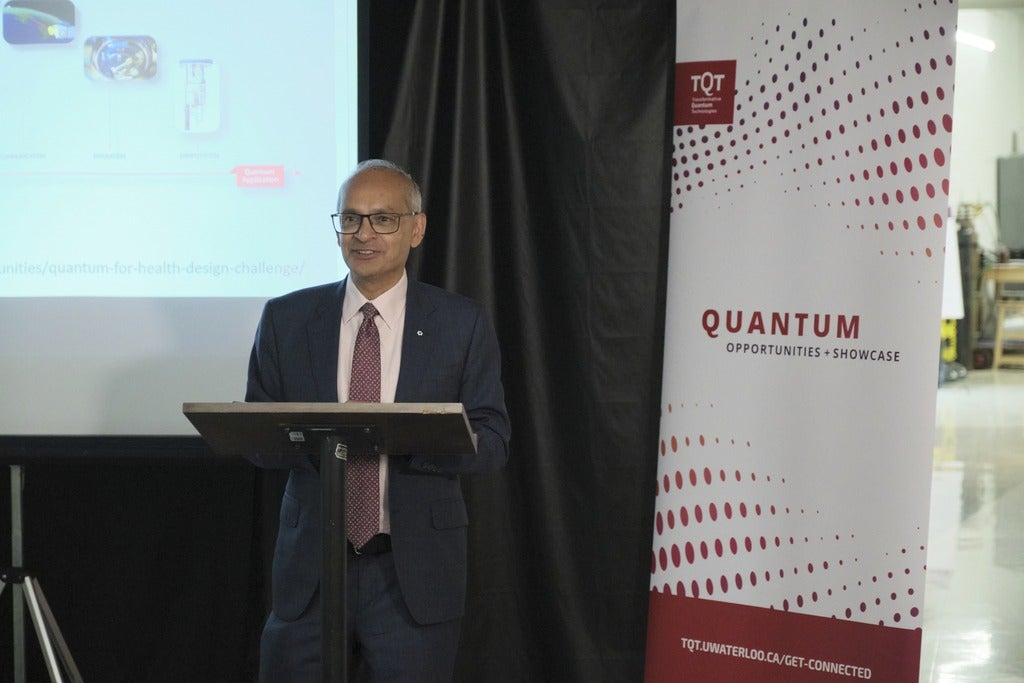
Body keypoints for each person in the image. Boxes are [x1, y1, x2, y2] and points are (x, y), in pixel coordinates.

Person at [245, 159, 511, 682]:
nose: (363, 234)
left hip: (411, 572)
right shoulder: (287, 318)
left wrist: (410, 438)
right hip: (311, 569)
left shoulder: (461, 324)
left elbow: (495, 440)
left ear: (417, 228)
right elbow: (259, 433)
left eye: (382, 219)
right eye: (351, 219)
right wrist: (323, 439)